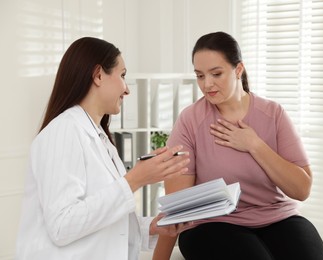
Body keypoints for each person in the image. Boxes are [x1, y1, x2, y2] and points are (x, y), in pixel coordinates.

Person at [152, 31, 323, 260]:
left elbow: (301, 189)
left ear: (238, 69)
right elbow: (178, 205)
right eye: (200, 75)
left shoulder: (273, 114)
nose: (207, 84)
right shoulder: (190, 120)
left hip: (277, 217)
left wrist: (254, 144)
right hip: (213, 225)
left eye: (216, 73)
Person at [15, 37, 191, 260]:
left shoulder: (100, 139)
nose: (127, 89)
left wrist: (153, 227)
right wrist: (134, 180)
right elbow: (62, 225)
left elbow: (103, 220)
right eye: (123, 75)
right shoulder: (64, 131)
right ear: (98, 75)